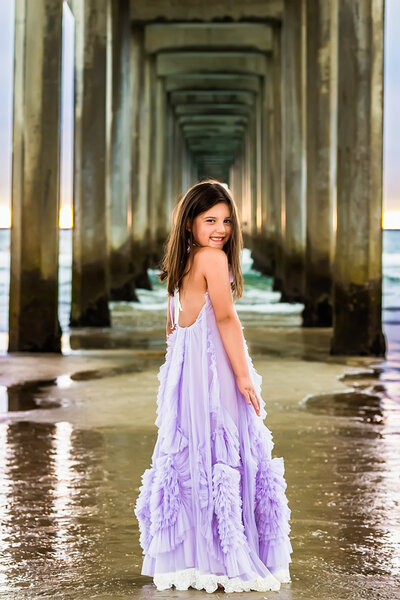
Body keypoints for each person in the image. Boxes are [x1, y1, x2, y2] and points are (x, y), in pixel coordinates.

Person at [134, 179, 293, 593]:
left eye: (226, 221)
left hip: (185, 374)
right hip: (214, 369)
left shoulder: (180, 263)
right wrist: (243, 376)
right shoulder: (213, 259)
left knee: (192, 453)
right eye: (210, 220)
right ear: (190, 223)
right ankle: (223, 557)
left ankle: (189, 559)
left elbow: (171, 328)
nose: (220, 229)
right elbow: (224, 318)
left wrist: (180, 379)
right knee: (226, 448)